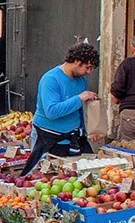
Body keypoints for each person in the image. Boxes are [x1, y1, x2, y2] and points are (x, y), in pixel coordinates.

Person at [21, 42, 101, 174]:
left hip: (72, 137)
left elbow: (81, 110)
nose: (88, 72)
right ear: (77, 61)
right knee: (42, 178)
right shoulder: (51, 79)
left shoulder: (81, 80)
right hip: (47, 138)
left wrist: (90, 129)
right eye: (87, 67)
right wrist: (79, 98)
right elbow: (51, 111)